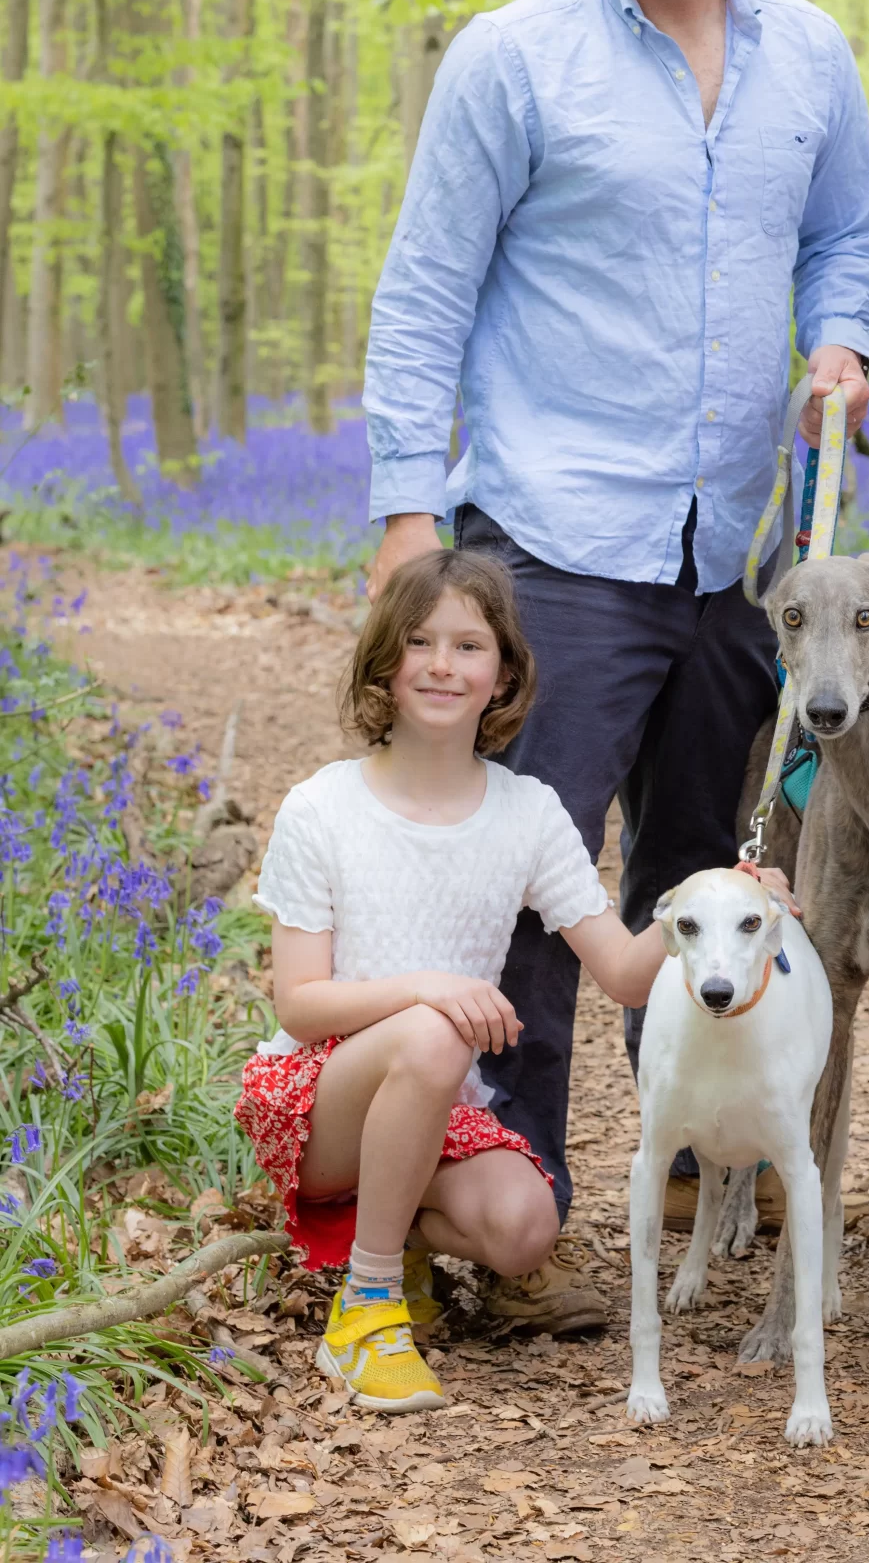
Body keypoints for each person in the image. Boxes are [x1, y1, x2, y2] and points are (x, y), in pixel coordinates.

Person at [362, 0, 869, 1329]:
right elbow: (425, 288)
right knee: (527, 883)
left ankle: (701, 1165)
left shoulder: (808, 54)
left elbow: (845, 235)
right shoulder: (514, 59)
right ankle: (498, 1209)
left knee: (705, 868)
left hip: (735, 551)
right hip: (551, 540)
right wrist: (404, 512)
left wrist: (838, 338)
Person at [236, 551, 657, 1413]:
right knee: (434, 1033)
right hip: (317, 1102)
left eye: (469, 646)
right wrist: (425, 987)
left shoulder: (527, 812)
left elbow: (623, 973)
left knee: (525, 1227)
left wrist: (710, 903)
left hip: (436, 1105)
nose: (441, 665)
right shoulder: (323, 806)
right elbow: (301, 1006)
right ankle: (367, 1308)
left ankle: (398, 1234)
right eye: (420, 641)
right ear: (384, 662)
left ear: (502, 675)